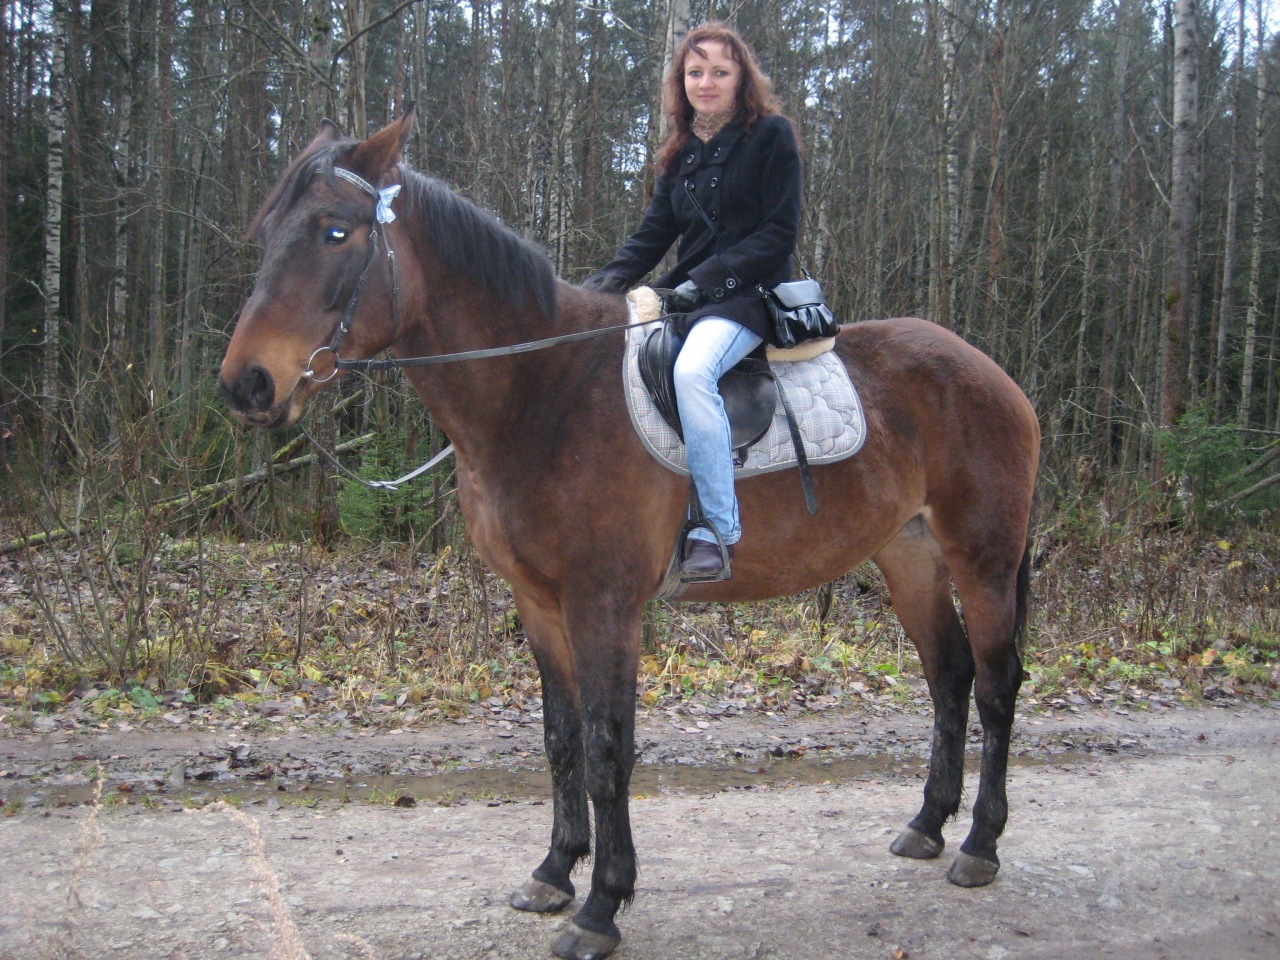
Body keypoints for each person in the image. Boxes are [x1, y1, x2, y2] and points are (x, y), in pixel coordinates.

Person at [584, 21, 803, 579]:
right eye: (695, 72)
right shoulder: (680, 154)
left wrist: (706, 279)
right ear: (681, 81)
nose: (706, 83)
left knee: (692, 373)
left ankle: (716, 529)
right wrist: (590, 293)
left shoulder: (772, 136)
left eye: (720, 72)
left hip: (749, 297)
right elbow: (650, 238)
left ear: (741, 79)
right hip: (688, 299)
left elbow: (779, 234)